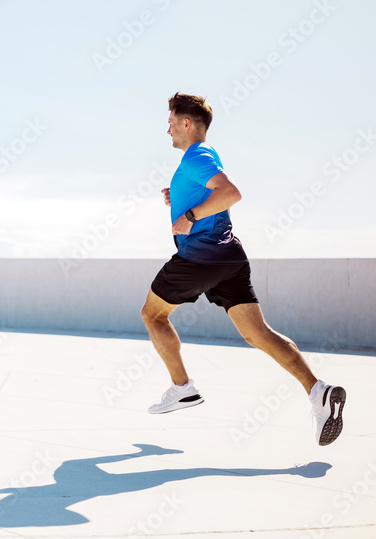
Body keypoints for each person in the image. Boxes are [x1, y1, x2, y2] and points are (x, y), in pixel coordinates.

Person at [140, 93, 346, 446]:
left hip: (201, 257)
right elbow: (213, 192)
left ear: (186, 123)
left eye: (171, 122)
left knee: (152, 315)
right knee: (258, 334)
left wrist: (189, 215)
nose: (168, 130)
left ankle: (182, 387)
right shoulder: (205, 156)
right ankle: (319, 392)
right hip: (229, 257)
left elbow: (231, 193)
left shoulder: (196, 156)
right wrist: (181, 197)